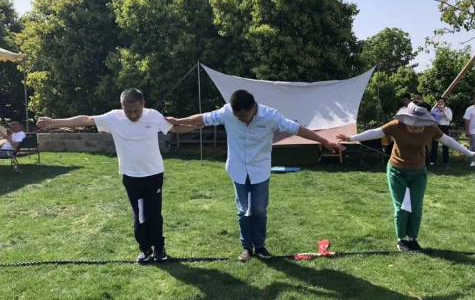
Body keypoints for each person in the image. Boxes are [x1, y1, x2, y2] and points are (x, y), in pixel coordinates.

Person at [166, 90, 345, 263]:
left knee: (259, 209)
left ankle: (259, 246)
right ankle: (246, 247)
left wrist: (324, 141)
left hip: (260, 171)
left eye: (243, 116)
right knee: (243, 210)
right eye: (237, 116)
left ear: (253, 108)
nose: (240, 119)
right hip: (237, 169)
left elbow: (296, 129)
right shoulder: (227, 112)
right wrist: (178, 121)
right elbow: (202, 119)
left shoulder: (270, 116)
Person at [37, 89, 199, 263]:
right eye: (129, 111)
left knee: (154, 214)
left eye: (137, 111)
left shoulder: (153, 116)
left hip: (153, 174)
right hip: (131, 176)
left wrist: (197, 125)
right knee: (139, 214)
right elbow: (86, 119)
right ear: (122, 106)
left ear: (143, 104)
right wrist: (54, 122)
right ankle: (145, 250)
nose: (133, 115)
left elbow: (174, 127)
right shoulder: (113, 118)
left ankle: (159, 249)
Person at [338, 102, 475, 253]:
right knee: (402, 207)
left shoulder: (431, 128)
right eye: (414, 122)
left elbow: (447, 140)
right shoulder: (397, 125)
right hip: (397, 171)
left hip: (418, 172)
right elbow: (376, 132)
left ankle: (412, 239)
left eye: (420, 122)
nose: (416, 126)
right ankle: (402, 240)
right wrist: (351, 138)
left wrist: (469, 153)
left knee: (416, 207)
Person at [430, 98, 453, 166]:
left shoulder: (448, 110)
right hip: (437, 127)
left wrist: (443, 111)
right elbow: (431, 118)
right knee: (434, 144)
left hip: (445, 127)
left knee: (445, 144)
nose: (440, 103)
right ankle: (432, 160)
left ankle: (446, 160)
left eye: (442, 102)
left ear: (445, 103)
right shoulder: (434, 110)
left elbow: (450, 119)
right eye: (439, 102)